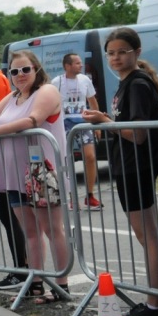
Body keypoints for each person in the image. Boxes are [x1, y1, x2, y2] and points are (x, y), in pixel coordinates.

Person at [82, 27, 158, 316]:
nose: (115, 58)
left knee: (147, 234)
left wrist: (103, 120)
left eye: (122, 52)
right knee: (155, 232)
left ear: (137, 52)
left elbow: (137, 134)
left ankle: (154, 304)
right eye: (111, 53)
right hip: (133, 166)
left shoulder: (136, 84)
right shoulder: (131, 83)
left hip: (135, 166)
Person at [0, 50, 70, 304]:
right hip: (13, 175)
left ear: (36, 69)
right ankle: (35, 283)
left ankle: (62, 285)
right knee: (30, 232)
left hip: (41, 173)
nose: (20, 75)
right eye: (14, 71)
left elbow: (33, 120)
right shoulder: (11, 98)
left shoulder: (46, 91)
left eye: (25, 69)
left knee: (52, 229)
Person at [53, 53, 102, 210]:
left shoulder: (85, 80)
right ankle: (71, 197)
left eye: (80, 62)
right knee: (66, 160)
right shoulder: (57, 82)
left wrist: (97, 123)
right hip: (64, 124)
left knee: (90, 156)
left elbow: (92, 101)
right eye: (77, 63)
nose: (81, 65)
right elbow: (51, 103)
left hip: (83, 122)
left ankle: (90, 195)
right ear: (67, 66)